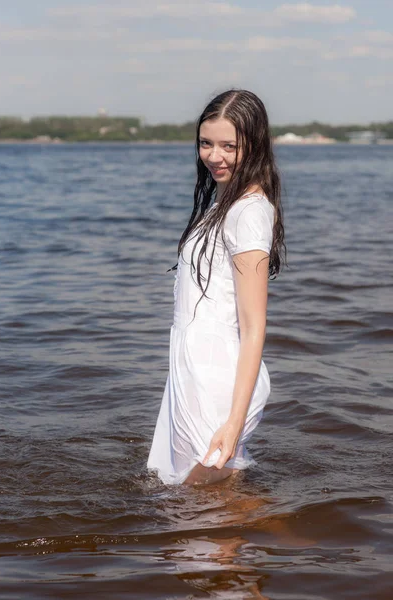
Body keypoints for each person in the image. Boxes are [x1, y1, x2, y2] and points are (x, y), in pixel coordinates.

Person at [147, 89, 285, 485]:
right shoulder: (225, 201)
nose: (214, 156)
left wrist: (234, 421)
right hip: (194, 368)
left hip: (218, 377)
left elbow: (254, 325)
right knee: (199, 508)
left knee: (203, 502)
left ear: (255, 146)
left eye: (229, 146)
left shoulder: (249, 213)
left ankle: (308, 536)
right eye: (206, 143)